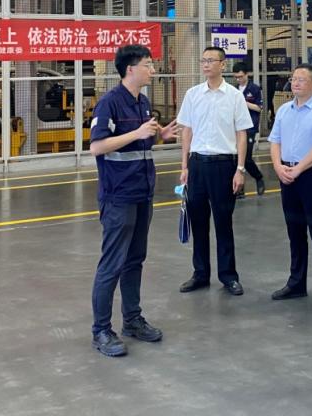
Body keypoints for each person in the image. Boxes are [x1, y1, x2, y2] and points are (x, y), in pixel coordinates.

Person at [89, 44, 179, 357]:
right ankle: (101, 330)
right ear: (130, 69)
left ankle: (132, 320)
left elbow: (140, 144)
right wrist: (138, 133)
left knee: (134, 260)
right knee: (112, 264)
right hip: (118, 196)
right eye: (148, 65)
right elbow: (97, 147)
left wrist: (158, 136)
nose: (152, 70)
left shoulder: (142, 101)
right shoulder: (109, 103)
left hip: (142, 193)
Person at [176, 46, 254, 296]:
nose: (206, 64)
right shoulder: (193, 94)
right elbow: (186, 131)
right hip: (197, 164)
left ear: (223, 64)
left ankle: (228, 275)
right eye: (203, 60)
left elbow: (241, 133)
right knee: (198, 222)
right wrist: (185, 166)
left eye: (211, 60)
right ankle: (200, 274)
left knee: (223, 222)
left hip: (224, 165)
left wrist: (240, 169)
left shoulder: (234, 96)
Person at [269, 62, 312, 314]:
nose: (295, 83)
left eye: (301, 79)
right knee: (295, 232)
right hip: (287, 175)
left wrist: (298, 169)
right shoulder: (284, 110)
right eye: (293, 78)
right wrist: (278, 166)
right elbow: (275, 140)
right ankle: (296, 283)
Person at [232, 61, 267, 197]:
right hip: (235, 128)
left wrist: (243, 102)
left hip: (249, 128)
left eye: (241, 76)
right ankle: (239, 188)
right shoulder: (233, 90)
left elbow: (259, 108)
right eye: (236, 77)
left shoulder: (254, 89)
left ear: (247, 75)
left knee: (246, 158)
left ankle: (258, 177)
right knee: (236, 159)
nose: (238, 79)